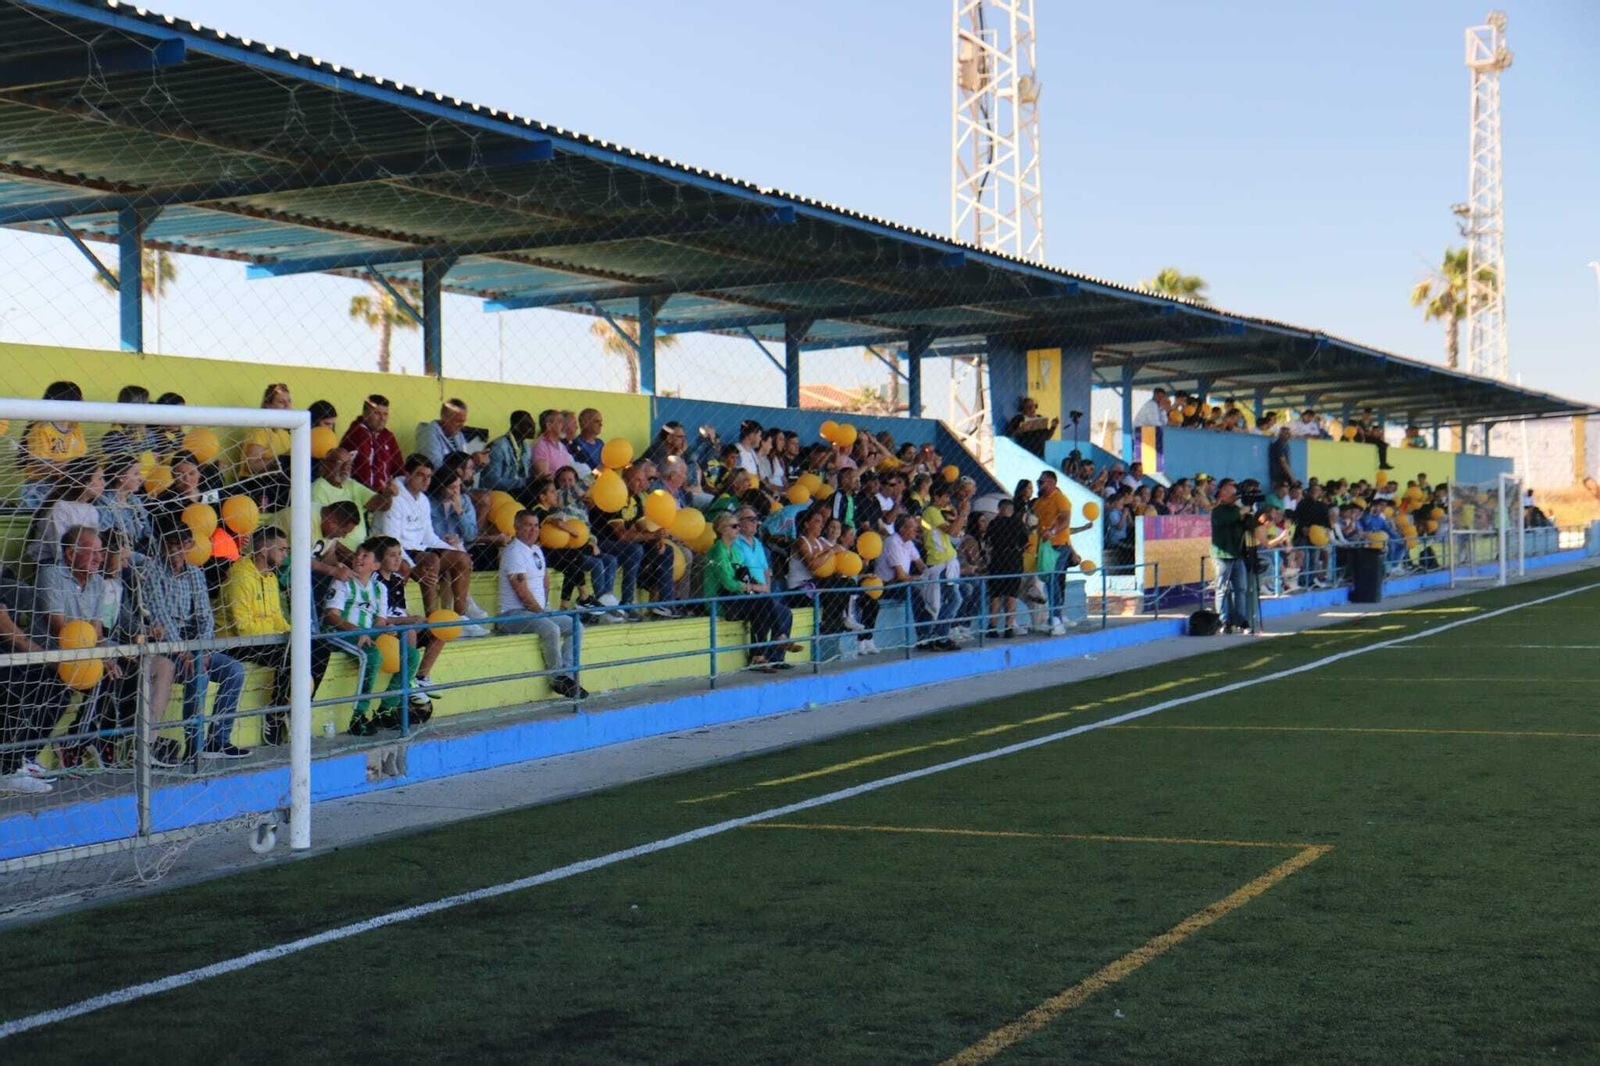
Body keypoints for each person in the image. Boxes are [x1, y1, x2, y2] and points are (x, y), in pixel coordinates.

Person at [140, 519, 251, 762]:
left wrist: (203, 650)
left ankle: (218, 740)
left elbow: (205, 616)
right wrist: (185, 653)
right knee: (197, 674)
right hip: (166, 647)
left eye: (181, 546)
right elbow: (161, 618)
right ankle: (194, 747)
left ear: (190, 545)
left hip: (195, 645)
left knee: (234, 670)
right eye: (170, 546)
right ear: (161, 546)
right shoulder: (151, 572)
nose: (175, 552)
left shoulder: (195, 573)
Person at [377, 453, 484, 632]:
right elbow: (392, 541)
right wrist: (413, 568)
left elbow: (429, 536)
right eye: (420, 475)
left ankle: (460, 620)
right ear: (408, 474)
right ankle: (433, 622)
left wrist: (454, 550)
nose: (426, 481)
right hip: (398, 550)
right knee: (431, 560)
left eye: (429, 476)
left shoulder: (423, 500)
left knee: (462, 559)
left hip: (418, 548)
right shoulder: (395, 498)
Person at [219, 526, 300, 745]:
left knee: (315, 649)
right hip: (233, 644)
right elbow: (243, 628)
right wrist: (280, 634)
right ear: (264, 550)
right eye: (282, 549)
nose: (286, 554)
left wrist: (294, 634)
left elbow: (277, 618)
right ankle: (275, 715)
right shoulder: (240, 575)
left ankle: (290, 708)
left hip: (265, 641)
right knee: (291, 652)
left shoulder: (271, 578)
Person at [322, 538, 410, 737]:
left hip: (367, 633)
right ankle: (358, 716)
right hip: (341, 633)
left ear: (376, 565)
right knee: (372, 656)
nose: (358, 558)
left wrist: (387, 630)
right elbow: (331, 616)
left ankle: (386, 709)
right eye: (357, 554)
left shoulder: (380, 588)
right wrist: (358, 631)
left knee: (410, 654)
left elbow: (379, 621)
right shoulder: (343, 582)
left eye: (364, 556)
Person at [497, 511, 586, 698]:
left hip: (537, 611)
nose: (533, 529)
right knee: (551, 628)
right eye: (528, 525)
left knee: (576, 626)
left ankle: (567, 676)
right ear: (517, 527)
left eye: (536, 525)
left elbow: (544, 582)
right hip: (512, 614)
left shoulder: (536, 550)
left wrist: (544, 609)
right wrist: (542, 613)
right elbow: (522, 592)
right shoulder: (514, 551)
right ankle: (557, 678)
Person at [705, 510, 796, 672]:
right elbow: (728, 583)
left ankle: (759, 656)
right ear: (722, 529)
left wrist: (756, 586)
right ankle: (777, 638)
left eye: (738, 526)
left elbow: (742, 575)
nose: (738, 529)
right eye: (734, 526)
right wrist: (754, 587)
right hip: (720, 600)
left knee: (762, 605)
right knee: (763, 603)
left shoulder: (732, 550)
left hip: (735, 598)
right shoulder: (718, 550)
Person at [589, 462, 677, 619]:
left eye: (643, 480)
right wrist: (652, 537)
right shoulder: (615, 497)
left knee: (666, 550)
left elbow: (643, 526)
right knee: (634, 549)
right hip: (601, 541)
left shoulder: (635, 499)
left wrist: (659, 535)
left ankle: (665, 604)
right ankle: (627, 603)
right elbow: (622, 535)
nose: (642, 484)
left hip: (623, 543)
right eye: (637, 480)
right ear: (625, 480)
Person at [371, 535, 442, 720]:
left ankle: (421, 677)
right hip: (387, 630)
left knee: (439, 628)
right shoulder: (374, 581)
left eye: (399, 555)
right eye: (392, 555)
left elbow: (400, 610)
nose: (398, 559)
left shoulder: (396, 579)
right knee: (409, 631)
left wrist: (417, 619)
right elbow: (381, 618)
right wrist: (410, 621)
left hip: (402, 623)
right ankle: (408, 681)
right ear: (379, 559)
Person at [312, 446, 393, 553]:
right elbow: (325, 533)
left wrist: (387, 495)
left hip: (362, 550)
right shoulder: (318, 488)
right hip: (338, 553)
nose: (345, 468)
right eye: (339, 463)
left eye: (349, 464)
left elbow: (381, 506)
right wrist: (354, 558)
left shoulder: (351, 484)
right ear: (324, 465)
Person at [28, 456, 105, 564]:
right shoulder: (60, 508)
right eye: (99, 478)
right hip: (53, 564)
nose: (103, 484)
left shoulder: (92, 510)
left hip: (82, 564)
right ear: (84, 482)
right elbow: (58, 549)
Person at [237, 382, 294, 510]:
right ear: (268, 405)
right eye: (281, 402)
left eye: (289, 401)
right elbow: (251, 466)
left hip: (278, 485)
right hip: (255, 485)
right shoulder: (261, 430)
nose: (287, 405)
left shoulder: (285, 434)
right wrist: (278, 460)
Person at [1210, 479, 1252, 635]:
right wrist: (1242, 511)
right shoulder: (1218, 511)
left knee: (1240, 589)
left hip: (1237, 555)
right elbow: (1227, 520)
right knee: (1222, 589)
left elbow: (1248, 525)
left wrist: (1248, 513)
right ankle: (1223, 620)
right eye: (1233, 495)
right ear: (1224, 495)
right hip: (1222, 556)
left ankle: (1241, 621)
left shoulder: (1237, 509)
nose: (1236, 498)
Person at [341, 394, 405, 492]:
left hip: (382, 496)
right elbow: (343, 468)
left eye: (385, 414)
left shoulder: (388, 436)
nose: (382, 418)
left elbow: (399, 469)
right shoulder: (356, 433)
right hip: (357, 493)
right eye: (377, 413)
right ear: (365, 414)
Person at [985, 498, 1029, 637]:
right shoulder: (1018, 524)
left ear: (999, 509)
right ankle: (1009, 626)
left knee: (995, 594)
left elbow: (988, 540)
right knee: (1011, 595)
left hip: (998, 559)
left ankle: (992, 627)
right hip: (1014, 560)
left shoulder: (994, 523)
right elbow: (1024, 541)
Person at [97, 452, 154, 559]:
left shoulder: (135, 500)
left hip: (143, 554)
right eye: (136, 474)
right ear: (120, 477)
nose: (141, 478)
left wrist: (153, 552)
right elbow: (109, 542)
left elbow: (148, 532)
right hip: (119, 560)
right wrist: (142, 558)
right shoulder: (104, 503)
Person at [483, 410, 536, 494]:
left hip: (518, 493)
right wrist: (524, 482)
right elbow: (491, 481)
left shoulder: (526, 448)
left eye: (533, 425)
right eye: (529, 426)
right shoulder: (498, 446)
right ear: (516, 426)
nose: (533, 429)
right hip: (497, 495)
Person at [529, 408, 573, 479]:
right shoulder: (540, 446)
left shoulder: (562, 446)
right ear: (549, 425)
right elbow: (545, 476)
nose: (564, 425)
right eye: (559, 421)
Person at [569, 408, 606, 473]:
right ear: (584, 422)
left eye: (601, 421)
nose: (601, 424)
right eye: (596, 421)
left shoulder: (600, 443)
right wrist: (599, 472)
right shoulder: (575, 444)